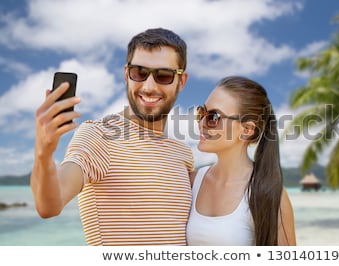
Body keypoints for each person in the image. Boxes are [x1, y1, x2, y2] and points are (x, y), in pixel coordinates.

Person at [31, 28, 193, 245]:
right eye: (139, 73)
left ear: (181, 82)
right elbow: (49, 205)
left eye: (164, 75)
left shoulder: (183, 153)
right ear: (127, 74)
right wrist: (43, 151)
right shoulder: (99, 135)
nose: (149, 86)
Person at [186, 76, 297, 246]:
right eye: (202, 113)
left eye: (213, 117)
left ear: (247, 130)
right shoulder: (191, 182)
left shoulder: (269, 195)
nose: (201, 123)